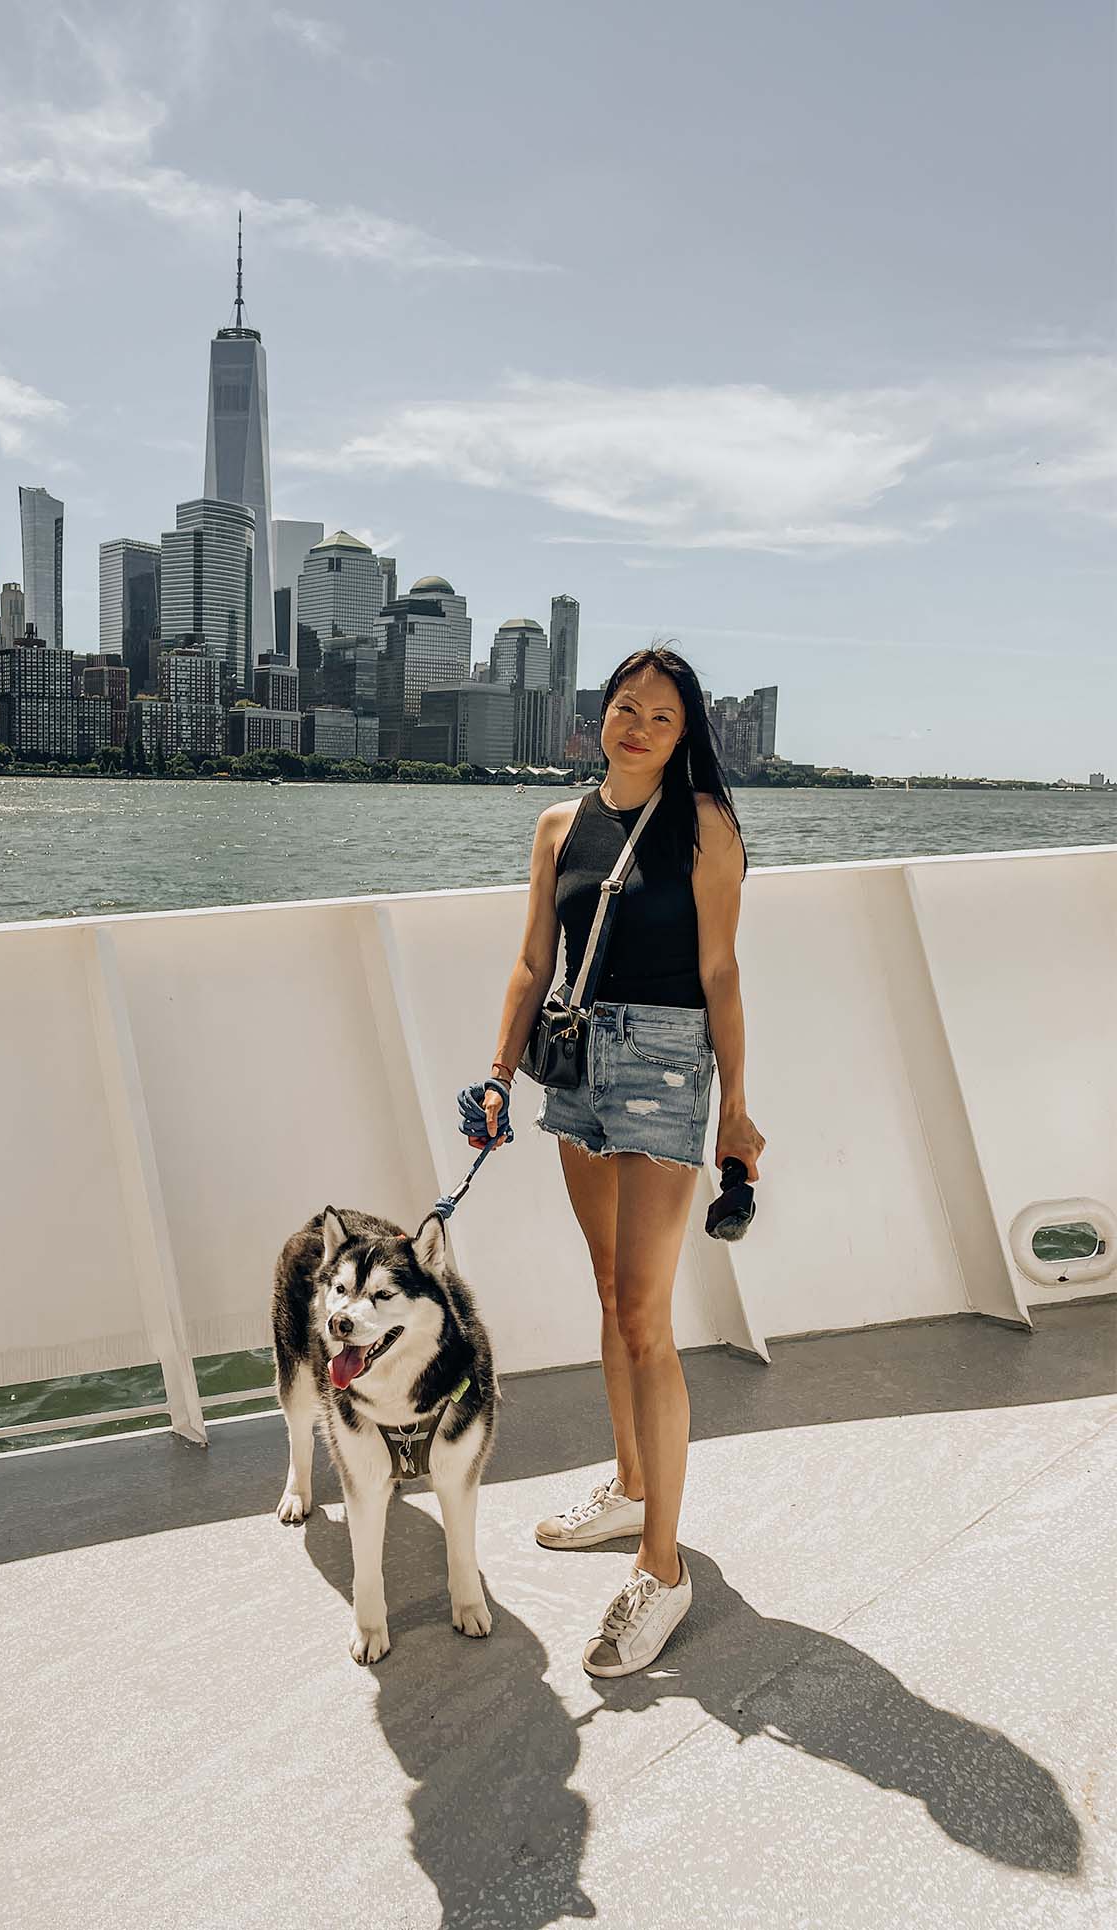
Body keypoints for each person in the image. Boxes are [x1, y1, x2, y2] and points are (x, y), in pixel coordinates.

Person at [472, 643, 766, 1677]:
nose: (637, 727)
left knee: (646, 1318)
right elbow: (528, 962)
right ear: (596, 716)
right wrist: (500, 1075)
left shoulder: (705, 825)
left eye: (661, 717)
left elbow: (720, 971)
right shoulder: (557, 826)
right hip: (575, 1063)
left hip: (664, 1063)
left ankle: (661, 1565)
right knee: (609, 1291)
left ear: (684, 736)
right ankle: (632, 1487)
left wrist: (736, 1107)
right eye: (624, 708)